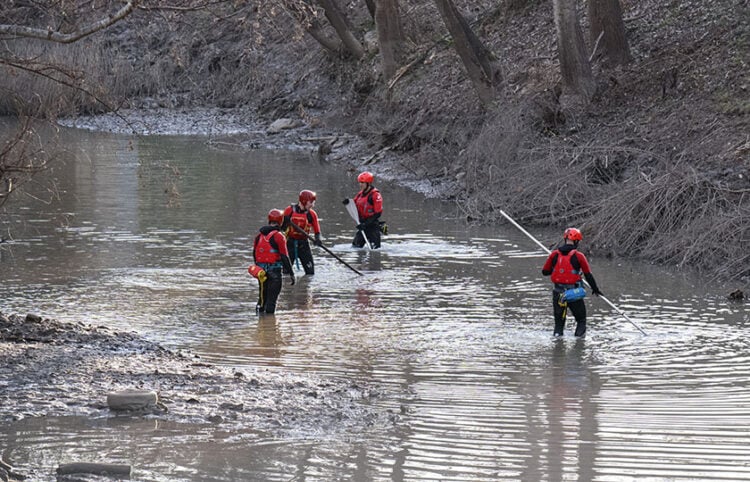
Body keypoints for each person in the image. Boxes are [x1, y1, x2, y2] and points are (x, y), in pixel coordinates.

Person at [541, 227, 603, 337]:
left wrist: (556, 268)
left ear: (565, 239)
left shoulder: (554, 254)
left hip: (558, 293)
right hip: (574, 293)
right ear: (576, 241)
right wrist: (595, 289)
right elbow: (588, 275)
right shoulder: (579, 256)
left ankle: (557, 346)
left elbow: (545, 272)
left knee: (559, 325)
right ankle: (579, 347)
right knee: (581, 321)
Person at [253, 209, 295, 314]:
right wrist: (291, 273)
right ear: (281, 221)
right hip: (274, 273)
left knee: (262, 300)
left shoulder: (258, 236)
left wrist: (258, 268)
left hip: (261, 273)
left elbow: (254, 254)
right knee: (271, 303)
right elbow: (285, 256)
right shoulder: (279, 236)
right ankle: (269, 327)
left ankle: (260, 322)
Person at [282, 190, 322, 275]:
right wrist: (285, 222)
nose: (312, 205)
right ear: (304, 201)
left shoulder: (312, 214)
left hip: (304, 245)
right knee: (285, 274)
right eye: (311, 202)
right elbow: (281, 229)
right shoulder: (289, 211)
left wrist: (317, 239)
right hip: (290, 244)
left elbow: (317, 230)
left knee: (310, 273)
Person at [343, 171, 384, 249]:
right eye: (360, 182)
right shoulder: (360, 194)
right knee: (355, 247)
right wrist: (348, 202)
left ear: (368, 183)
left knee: (375, 249)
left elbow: (378, 213)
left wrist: (366, 224)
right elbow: (354, 205)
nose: (360, 185)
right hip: (362, 226)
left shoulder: (375, 195)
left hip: (372, 226)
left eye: (362, 183)